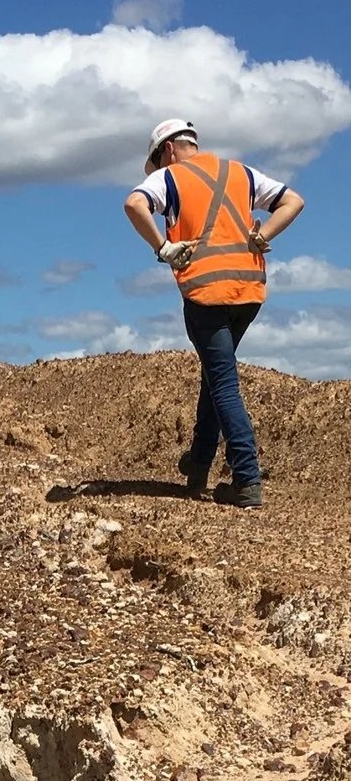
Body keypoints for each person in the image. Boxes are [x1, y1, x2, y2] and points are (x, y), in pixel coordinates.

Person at [123, 119, 305, 508]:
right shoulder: (240, 172)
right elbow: (294, 200)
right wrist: (265, 234)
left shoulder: (170, 177)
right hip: (249, 291)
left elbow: (134, 204)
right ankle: (199, 464)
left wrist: (163, 247)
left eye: (158, 160)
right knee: (215, 371)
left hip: (206, 293)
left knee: (222, 381)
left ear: (168, 150)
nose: (159, 168)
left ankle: (247, 478)